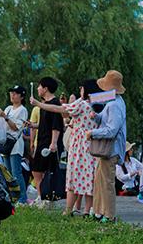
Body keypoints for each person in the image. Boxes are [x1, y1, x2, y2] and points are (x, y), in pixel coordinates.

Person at [33, 80, 99, 217]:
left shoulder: (81, 104)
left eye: (82, 87)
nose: (80, 89)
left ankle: (68, 210)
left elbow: (60, 110)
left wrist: (39, 104)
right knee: (89, 178)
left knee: (73, 178)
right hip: (92, 144)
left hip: (79, 145)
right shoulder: (97, 104)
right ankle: (87, 211)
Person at [86, 70, 127, 223]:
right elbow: (104, 119)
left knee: (107, 183)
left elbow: (112, 130)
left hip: (110, 150)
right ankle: (98, 211)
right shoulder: (114, 102)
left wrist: (93, 133)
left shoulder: (114, 105)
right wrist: (96, 117)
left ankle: (109, 215)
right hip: (107, 150)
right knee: (99, 181)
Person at [30, 77, 64, 203]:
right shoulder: (45, 105)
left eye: (40, 86)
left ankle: (45, 198)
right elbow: (46, 124)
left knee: (43, 170)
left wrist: (54, 142)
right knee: (37, 170)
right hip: (42, 140)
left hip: (49, 143)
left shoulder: (54, 104)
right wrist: (33, 126)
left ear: (45, 89)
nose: (38, 89)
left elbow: (56, 125)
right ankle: (42, 197)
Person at [0, 85, 29, 205]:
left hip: (15, 145)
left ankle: (22, 199)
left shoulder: (22, 110)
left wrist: (5, 117)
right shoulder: (9, 108)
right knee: (7, 174)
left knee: (16, 173)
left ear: (21, 96)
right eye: (11, 93)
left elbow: (16, 128)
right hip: (6, 144)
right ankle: (11, 198)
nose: (12, 95)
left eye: (15, 93)